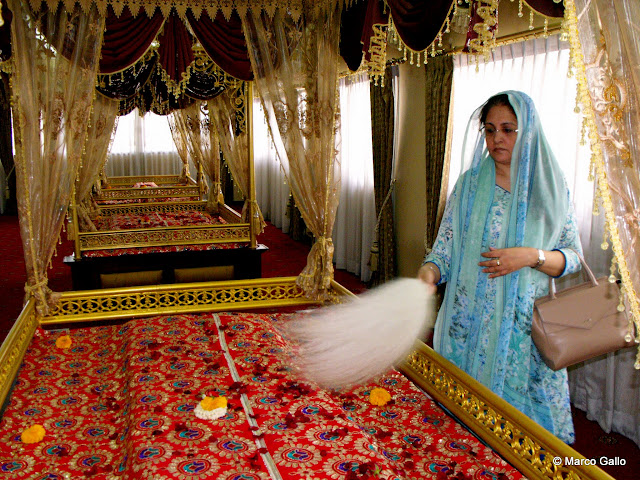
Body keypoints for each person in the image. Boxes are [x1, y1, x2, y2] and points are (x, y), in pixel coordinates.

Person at [418, 91, 582, 444]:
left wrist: (530, 256)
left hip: (522, 334)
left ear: (528, 133)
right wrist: (428, 274)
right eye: (490, 130)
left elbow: (571, 258)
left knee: (523, 442)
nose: (497, 139)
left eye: (508, 129)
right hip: (469, 324)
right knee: (463, 436)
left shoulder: (550, 191)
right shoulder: (469, 186)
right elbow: (444, 248)